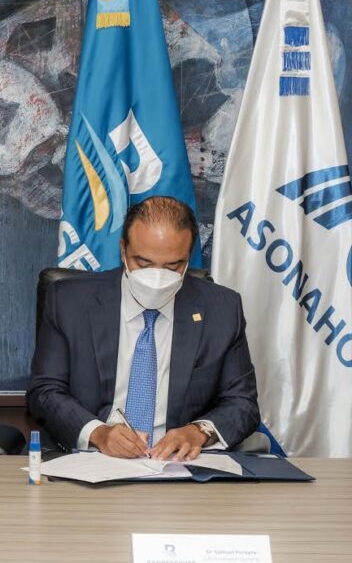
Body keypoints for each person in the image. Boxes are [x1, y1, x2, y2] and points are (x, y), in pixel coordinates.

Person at [27, 196, 260, 460]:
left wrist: (199, 431)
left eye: (173, 266)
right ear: (123, 250)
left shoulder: (222, 310)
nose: (157, 277)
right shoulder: (69, 302)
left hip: (176, 465)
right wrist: (98, 433)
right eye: (143, 263)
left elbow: (242, 404)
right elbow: (45, 391)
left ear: (188, 258)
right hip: (90, 459)